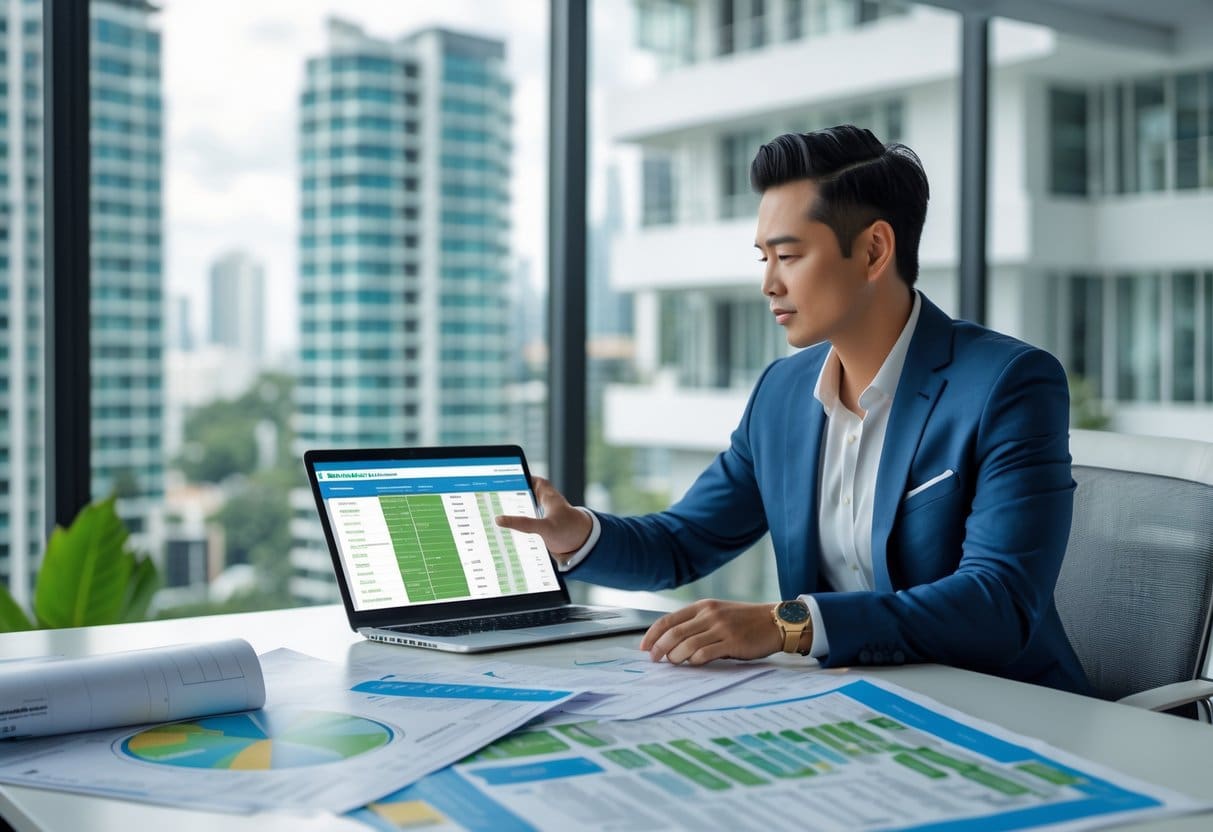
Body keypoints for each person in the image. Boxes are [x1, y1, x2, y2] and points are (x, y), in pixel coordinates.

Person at [498, 125, 1091, 694]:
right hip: (847, 707)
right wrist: (578, 534)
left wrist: (788, 624)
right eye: (764, 259)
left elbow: (998, 603)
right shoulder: (781, 394)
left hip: (1004, 708)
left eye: (789, 256)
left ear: (874, 250)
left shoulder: (1007, 384)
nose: (769, 285)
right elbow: (685, 541)